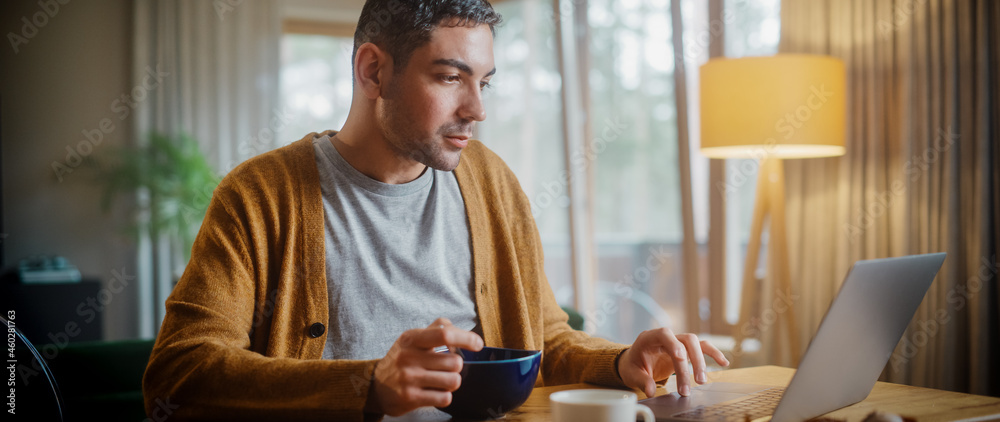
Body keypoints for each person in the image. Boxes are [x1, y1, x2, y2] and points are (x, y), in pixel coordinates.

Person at [141, 0, 728, 420]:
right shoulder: (260, 196)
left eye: (486, 83)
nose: (476, 109)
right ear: (374, 71)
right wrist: (368, 384)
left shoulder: (492, 182)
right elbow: (180, 371)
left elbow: (546, 337)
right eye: (450, 77)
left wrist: (622, 360)